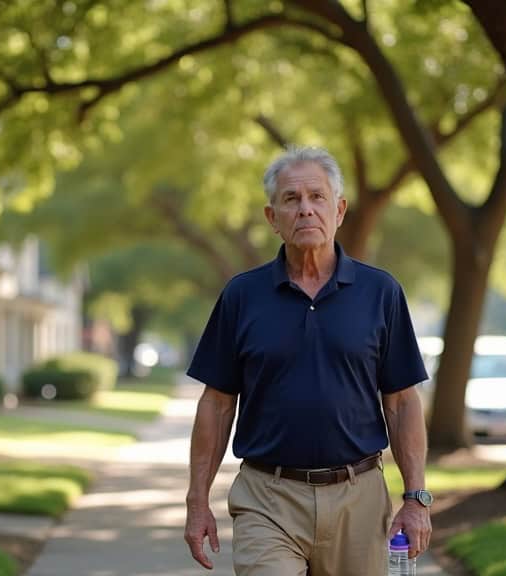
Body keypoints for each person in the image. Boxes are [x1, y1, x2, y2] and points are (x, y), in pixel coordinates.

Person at [183, 145, 432, 575]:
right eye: (291, 199)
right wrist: (196, 500)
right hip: (268, 497)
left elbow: (402, 402)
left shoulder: (381, 293)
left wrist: (416, 498)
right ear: (272, 218)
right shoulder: (242, 296)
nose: (305, 210)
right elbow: (217, 403)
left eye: (317, 197)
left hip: (360, 496)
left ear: (339, 209)